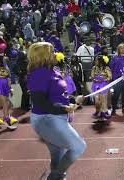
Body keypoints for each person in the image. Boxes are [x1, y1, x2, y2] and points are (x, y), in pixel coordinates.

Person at [27, 42, 86, 180]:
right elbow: (40, 102)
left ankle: (56, 176)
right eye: (52, 51)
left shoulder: (53, 70)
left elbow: (60, 94)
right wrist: (64, 108)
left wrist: (73, 99)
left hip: (55, 117)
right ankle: (54, 177)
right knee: (78, 147)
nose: (55, 54)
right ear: (44, 56)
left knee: (57, 153)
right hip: (46, 119)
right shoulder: (38, 74)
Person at [109, 44, 124, 115]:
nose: (123, 49)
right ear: (118, 50)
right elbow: (111, 68)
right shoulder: (115, 58)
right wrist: (113, 78)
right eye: (121, 48)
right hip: (117, 79)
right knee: (115, 95)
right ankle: (113, 109)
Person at [90, 55, 112, 121]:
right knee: (97, 100)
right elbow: (92, 76)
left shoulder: (106, 68)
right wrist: (95, 80)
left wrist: (104, 80)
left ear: (100, 61)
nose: (95, 61)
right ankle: (97, 111)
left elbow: (110, 77)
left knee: (103, 99)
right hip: (96, 85)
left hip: (104, 85)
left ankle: (104, 112)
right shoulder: (94, 68)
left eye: (96, 60)